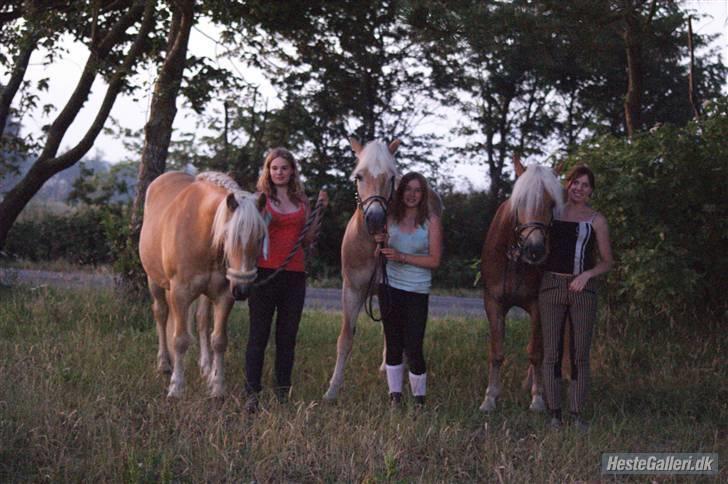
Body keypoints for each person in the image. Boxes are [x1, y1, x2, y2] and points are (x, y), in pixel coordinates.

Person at [245, 147, 328, 413]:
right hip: (265, 273)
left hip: (294, 276)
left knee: (287, 337)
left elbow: (307, 239)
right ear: (268, 171)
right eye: (274, 168)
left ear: (292, 171)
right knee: (258, 335)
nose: (279, 172)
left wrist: (319, 212)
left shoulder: (301, 201)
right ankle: (251, 393)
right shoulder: (260, 200)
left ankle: (282, 392)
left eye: (284, 168)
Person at [539, 164, 613, 430]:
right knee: (552, 353)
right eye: (575, 183)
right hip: (551, 286)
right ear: (567, 185)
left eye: (585, 185)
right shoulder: (552, 214)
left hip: (583, 290)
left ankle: (577, 414)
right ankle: (554, 413)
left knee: (580, 353)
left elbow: (607, 262)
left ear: (591, 191)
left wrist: (587, 275)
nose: (579, 189)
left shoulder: (596, 220)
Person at [374, 172, 443, 407]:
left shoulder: (431, 222)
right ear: (400, 192)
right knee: (393, 343)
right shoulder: (389, 219)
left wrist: (402, 256)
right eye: (407, 190)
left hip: (417, 290)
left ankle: (419, 399)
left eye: (417, 190)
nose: (411, 195)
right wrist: (379, 244)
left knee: (413, 346)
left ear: (423, 195)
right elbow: (378, 256)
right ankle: (395, 397)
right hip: (389, 287)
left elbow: (434, 261)